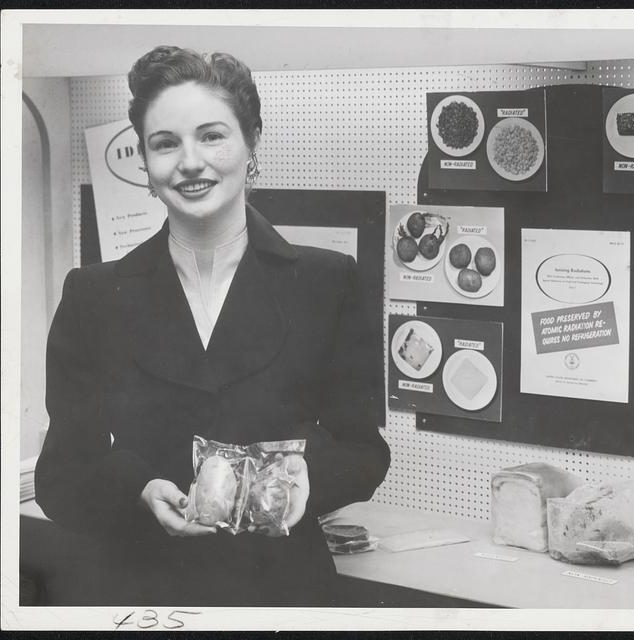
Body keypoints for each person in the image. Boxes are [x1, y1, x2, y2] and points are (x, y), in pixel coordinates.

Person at [34, 45, 390, 606]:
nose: (190, 162)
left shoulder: (329, 283)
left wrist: (306, 480)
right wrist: (140, 490)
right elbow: (61, 475)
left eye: (212, 136)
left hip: (282, 590)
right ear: (146, 167)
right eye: (165, 143)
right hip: (140, 587)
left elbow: (364, 451)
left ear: (252, 144)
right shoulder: (94, 295)